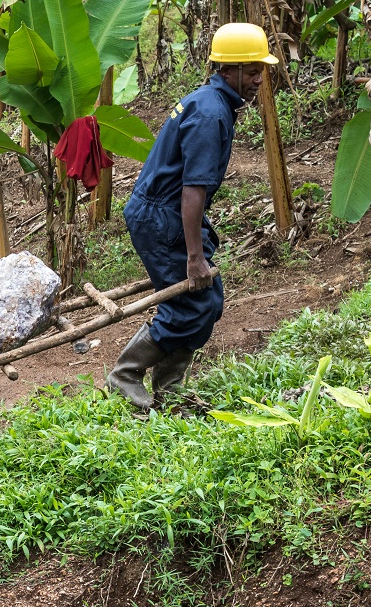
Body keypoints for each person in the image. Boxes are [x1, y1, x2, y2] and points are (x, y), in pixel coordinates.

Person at [106, 23, 276, 409]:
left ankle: (169, 386)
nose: (258, 80)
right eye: (251, 72)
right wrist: (194, 257)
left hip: (164, 212)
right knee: (193, 303)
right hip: (161, 217)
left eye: (260, 72)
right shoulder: (210, 114)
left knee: (206, 301)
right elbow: (192, 190)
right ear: (227, 70)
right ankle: (126, 373)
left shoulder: (210, 102)